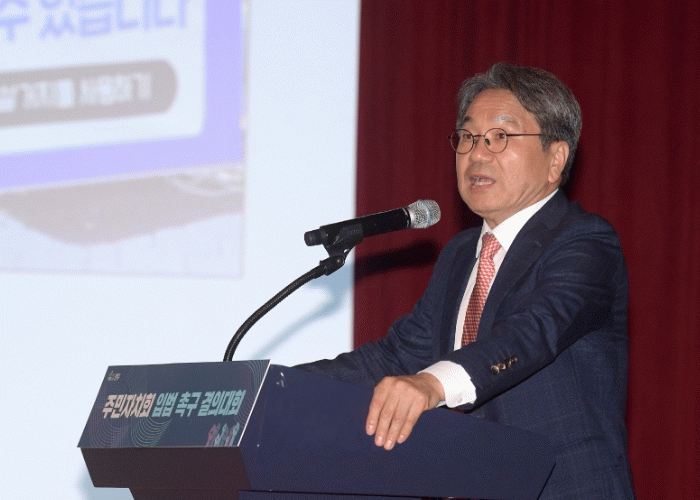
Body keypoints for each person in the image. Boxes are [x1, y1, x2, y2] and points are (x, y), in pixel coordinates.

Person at [297, 62, 635, 499]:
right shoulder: (460, 255)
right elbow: (395, 357)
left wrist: (431, 384)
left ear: (556, 159)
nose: (477, 154)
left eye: (500, 137)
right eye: (468, 137)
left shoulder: (584, 241)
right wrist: (274, 389)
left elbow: (530, 332)